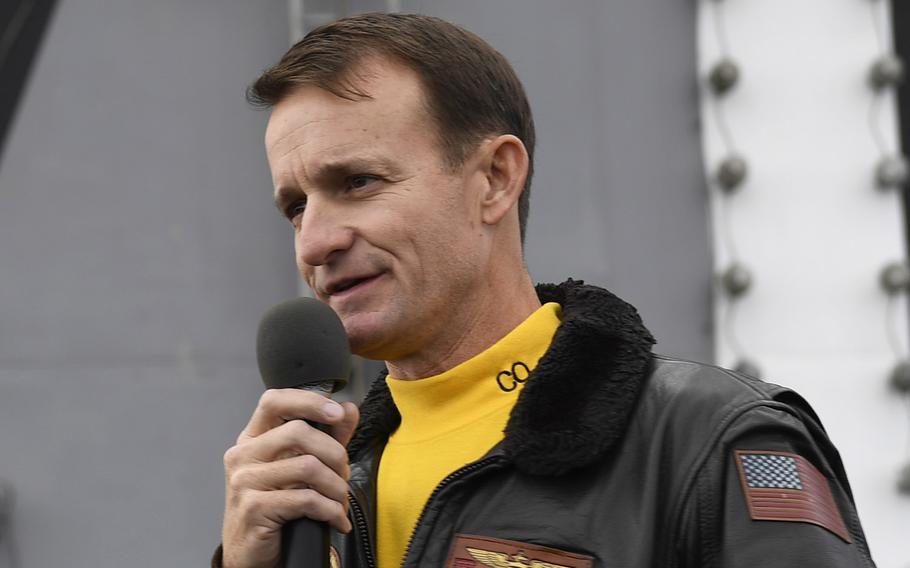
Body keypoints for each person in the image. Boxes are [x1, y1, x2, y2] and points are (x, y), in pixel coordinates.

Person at [216, 12, 876, 568]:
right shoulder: (317, 490)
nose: (314, 242)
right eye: (296, 206)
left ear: (496, 179)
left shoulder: (712, 440)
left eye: (358, 182)